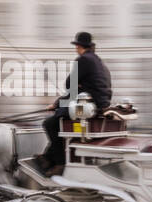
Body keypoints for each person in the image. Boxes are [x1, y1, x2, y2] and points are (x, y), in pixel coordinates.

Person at [39, 31, 112, 175]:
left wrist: (56, 105)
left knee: (50, 124)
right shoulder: (99, 61)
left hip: (87, 107)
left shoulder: (83, 60)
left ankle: (59, 163)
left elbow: (69, 85)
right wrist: (58, 103)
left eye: (76, 46)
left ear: (78, 46)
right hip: (99, 104)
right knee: (59, 121)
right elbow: (76, 88)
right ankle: (48, 157)